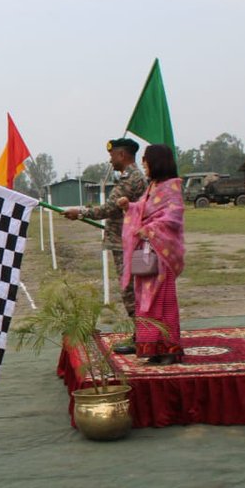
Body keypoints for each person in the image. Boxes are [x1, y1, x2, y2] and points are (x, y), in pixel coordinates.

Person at [64, 137, 148, 353]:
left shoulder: (132, 178)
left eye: (112, 155)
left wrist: (81, 212)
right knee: (130, 291)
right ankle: (143, 335)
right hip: (123, 242)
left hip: (127, 244)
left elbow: (110, 208)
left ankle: (144, 337)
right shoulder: (129, 177)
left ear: (122, 155)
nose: (110, 160)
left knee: (130, 292)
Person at [117, 144, 185, 365]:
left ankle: (169, 349)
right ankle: (153, 348)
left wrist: (149, 229)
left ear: (156, 162)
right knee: (144, 301)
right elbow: (144, 209)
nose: (144, 166)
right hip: (147, 253)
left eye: (146, 162)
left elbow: (173, 217)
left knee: (161, 302)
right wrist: (130, 206)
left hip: (161, 254)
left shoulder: (171, 187)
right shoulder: (152, 186)